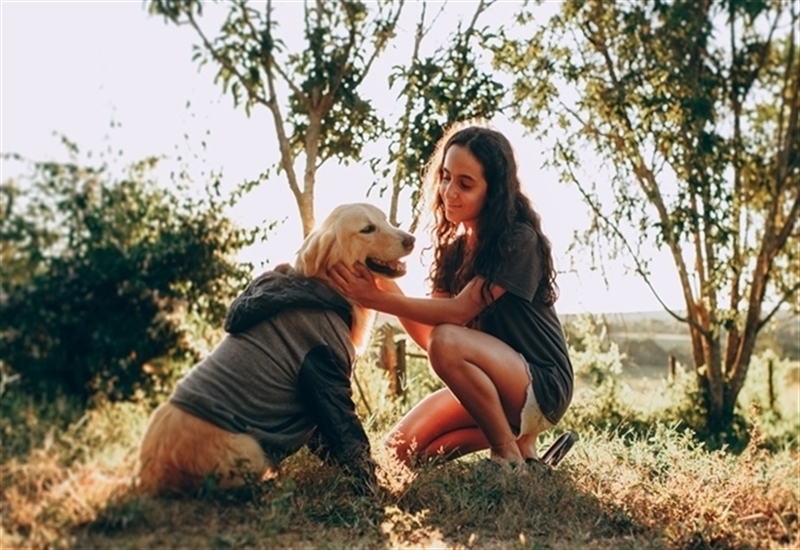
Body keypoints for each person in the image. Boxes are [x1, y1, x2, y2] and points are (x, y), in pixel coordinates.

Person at [328, 122, 574, 468]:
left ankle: (506, 454)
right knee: (401, 453)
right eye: (444, 177)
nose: (449, 192)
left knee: (449, 338)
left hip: (541, 384)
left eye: (465, 184)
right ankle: (521, 444)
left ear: (494, 191)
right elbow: (432, 339)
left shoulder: (518, 240)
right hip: (490, 386)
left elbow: (456, 316)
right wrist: (383, 282)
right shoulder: (453, 251)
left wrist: (376, 299)